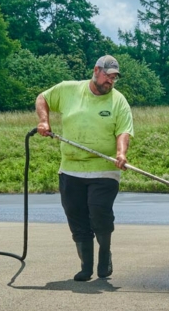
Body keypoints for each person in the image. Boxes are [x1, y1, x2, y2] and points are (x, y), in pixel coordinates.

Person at [35, 55, 134, 281]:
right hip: (71, 169)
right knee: (77, 217)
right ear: (96, 70)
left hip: (104, 169)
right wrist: (44, 121)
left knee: (99, 212)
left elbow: (123, 131)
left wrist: (121, 154)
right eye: (108, 76)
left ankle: (105, 254)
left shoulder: (118, 101)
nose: (111, 81)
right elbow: (43, 98)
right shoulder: (69, 90)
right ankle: (86, 266)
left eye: (114, 78)